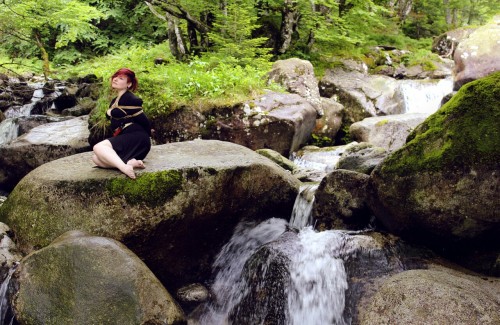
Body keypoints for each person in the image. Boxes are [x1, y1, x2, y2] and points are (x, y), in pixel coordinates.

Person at [92, 68, 151, 179]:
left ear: (129, 84)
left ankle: (124, 168)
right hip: (126, 136)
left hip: (137, 137)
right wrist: (110, 112)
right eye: (115, 77)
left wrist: (110, 112)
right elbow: (113, 116)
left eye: (121, 78)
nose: (115, 79)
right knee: (96, 159)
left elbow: (118, 113)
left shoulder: (132, 99)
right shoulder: (115, 100)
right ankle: (130, 163)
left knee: (98, 147)